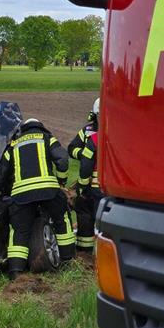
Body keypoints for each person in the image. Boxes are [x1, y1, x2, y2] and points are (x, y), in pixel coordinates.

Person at [0, 118, 75, 279]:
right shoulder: (47, 138)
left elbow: (2, 172)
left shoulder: (13, 144)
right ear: (40, 126)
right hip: (49, 192)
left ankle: (16, 272)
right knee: (61, 221)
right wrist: (61, 180)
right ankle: (67, 261)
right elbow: (63, 160)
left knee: (19, 231)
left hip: (22, 195)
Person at [68, 98, 99, 251]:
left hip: (92, 183)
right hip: (96, 183)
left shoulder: (94, 137)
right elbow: (71, 148)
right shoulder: (88, 131)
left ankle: (88, 252)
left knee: (86, 212)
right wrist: (84, 154)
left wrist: (89, 156)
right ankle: (86, 252)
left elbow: (87, 165)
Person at [77, 132, 102, 244]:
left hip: (98, 188)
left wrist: (82, 185)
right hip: (120, 188)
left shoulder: (95, 138)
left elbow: (86, 163)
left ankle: (98, 253)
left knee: (99, 221)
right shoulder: (123, 136)